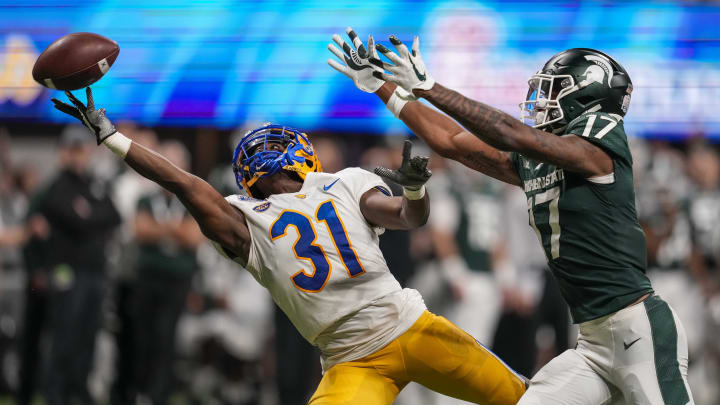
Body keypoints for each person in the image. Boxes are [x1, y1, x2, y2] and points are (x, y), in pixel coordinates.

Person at [50, 88, 526, 405]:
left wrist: (113, 139)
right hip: (353, 357)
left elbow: (407, 215)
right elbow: (185, 183)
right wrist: (113, 138)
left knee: (524, 400)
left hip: (406, 326)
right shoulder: (259, 213)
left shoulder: (324, 189)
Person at [328, 27, 694, 404]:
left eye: (556, 89)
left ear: (587, 97)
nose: (542, 99)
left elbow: (508, 132)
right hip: (593, 342)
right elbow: (450, 142)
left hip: (640, 331)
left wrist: (428, 87)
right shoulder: (541, 160)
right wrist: (383, 87)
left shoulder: (600, 146)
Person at [29, 126, 121, 405]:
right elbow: (76, 220)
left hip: (95, 272)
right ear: (63, 152)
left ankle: (78, 393)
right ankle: (56, 395)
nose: (78, 156)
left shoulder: (95, 185)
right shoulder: (55, 187)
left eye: (82, 150)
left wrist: (90, 214)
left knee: (88, 338)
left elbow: (114, 216)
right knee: (63, 337)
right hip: (67, 272)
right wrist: (93, 217)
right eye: (73, 150)